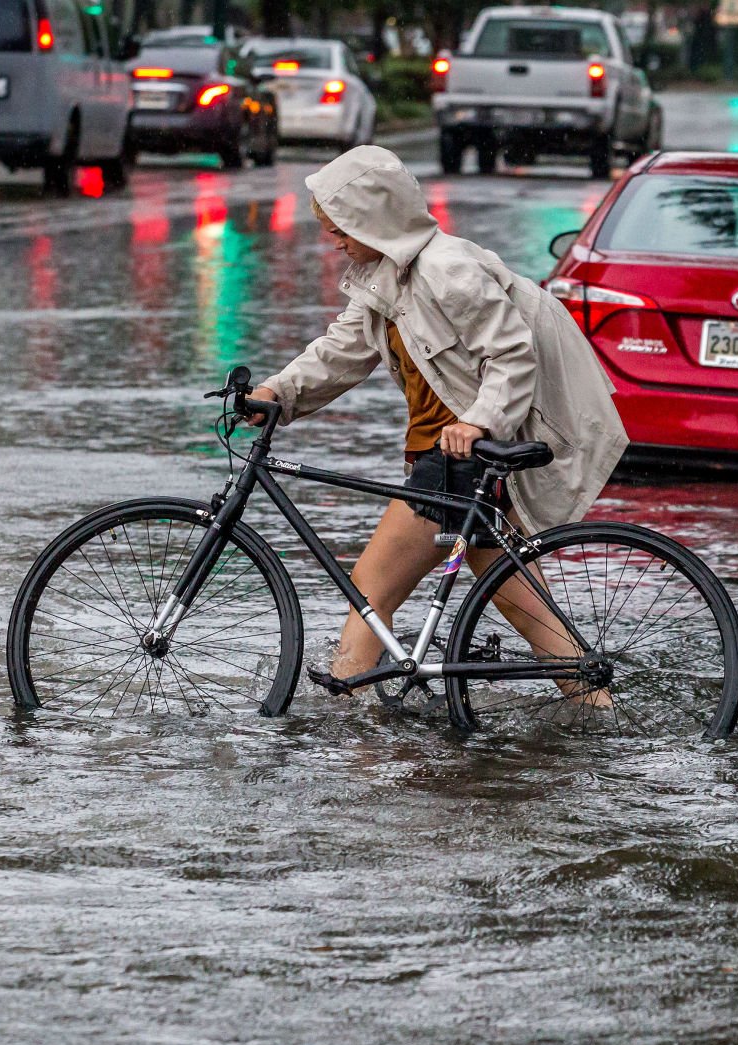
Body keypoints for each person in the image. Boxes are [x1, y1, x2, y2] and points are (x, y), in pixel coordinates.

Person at [251, 145, 628, 687]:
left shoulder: (447, 268)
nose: (330, 239)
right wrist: (276, 392)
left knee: (373, 585)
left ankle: (346, 710)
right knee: (514, 596)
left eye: (339, 227)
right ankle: (588, 701)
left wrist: (480, 422)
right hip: (444, 450)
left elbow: (512, 353)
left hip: (461, 454)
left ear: (373, 217)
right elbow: (342, 350)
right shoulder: (384, 277)